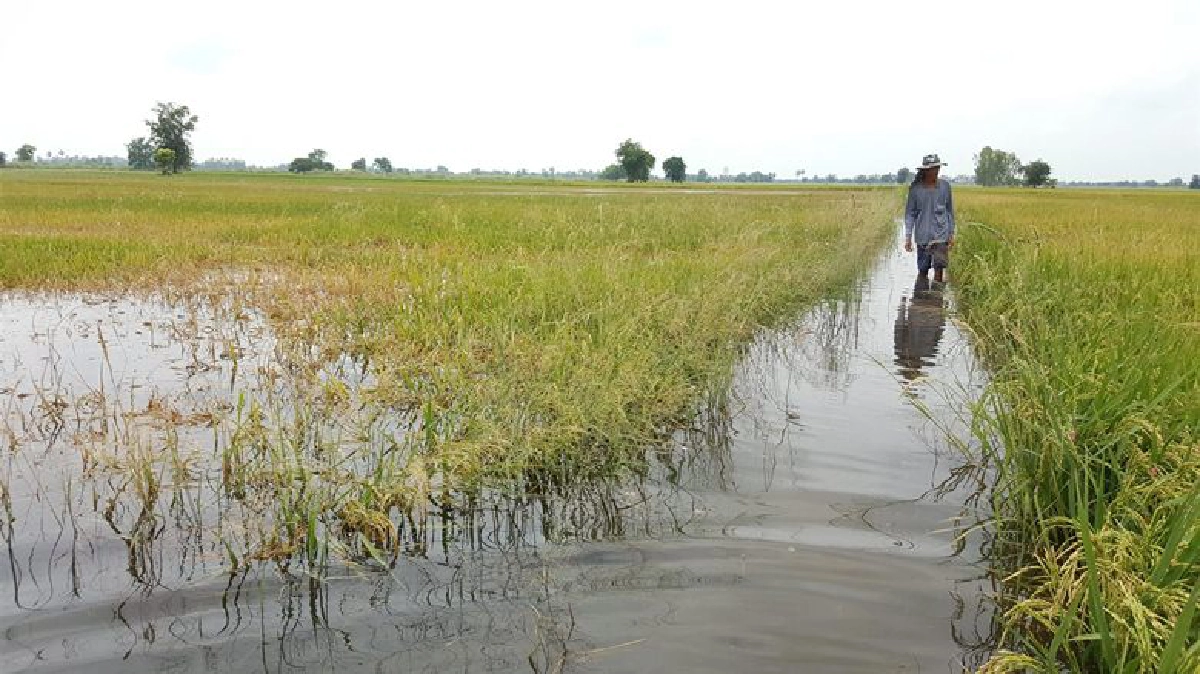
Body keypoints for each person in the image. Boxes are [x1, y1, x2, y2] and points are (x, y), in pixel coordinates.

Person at [904, 154, 956, 284]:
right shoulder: (915, 190)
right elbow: (910, 214)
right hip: (922, 236)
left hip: (941, 235)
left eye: (937, 168)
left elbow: (949, 211)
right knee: (923, 270)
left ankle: (937, 300)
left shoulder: (945, 187)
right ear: (925, 171)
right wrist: (908, 237)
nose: (935, 171)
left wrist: (951, 233)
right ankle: (921, 299)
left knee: (939, 268)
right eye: (932, 169)